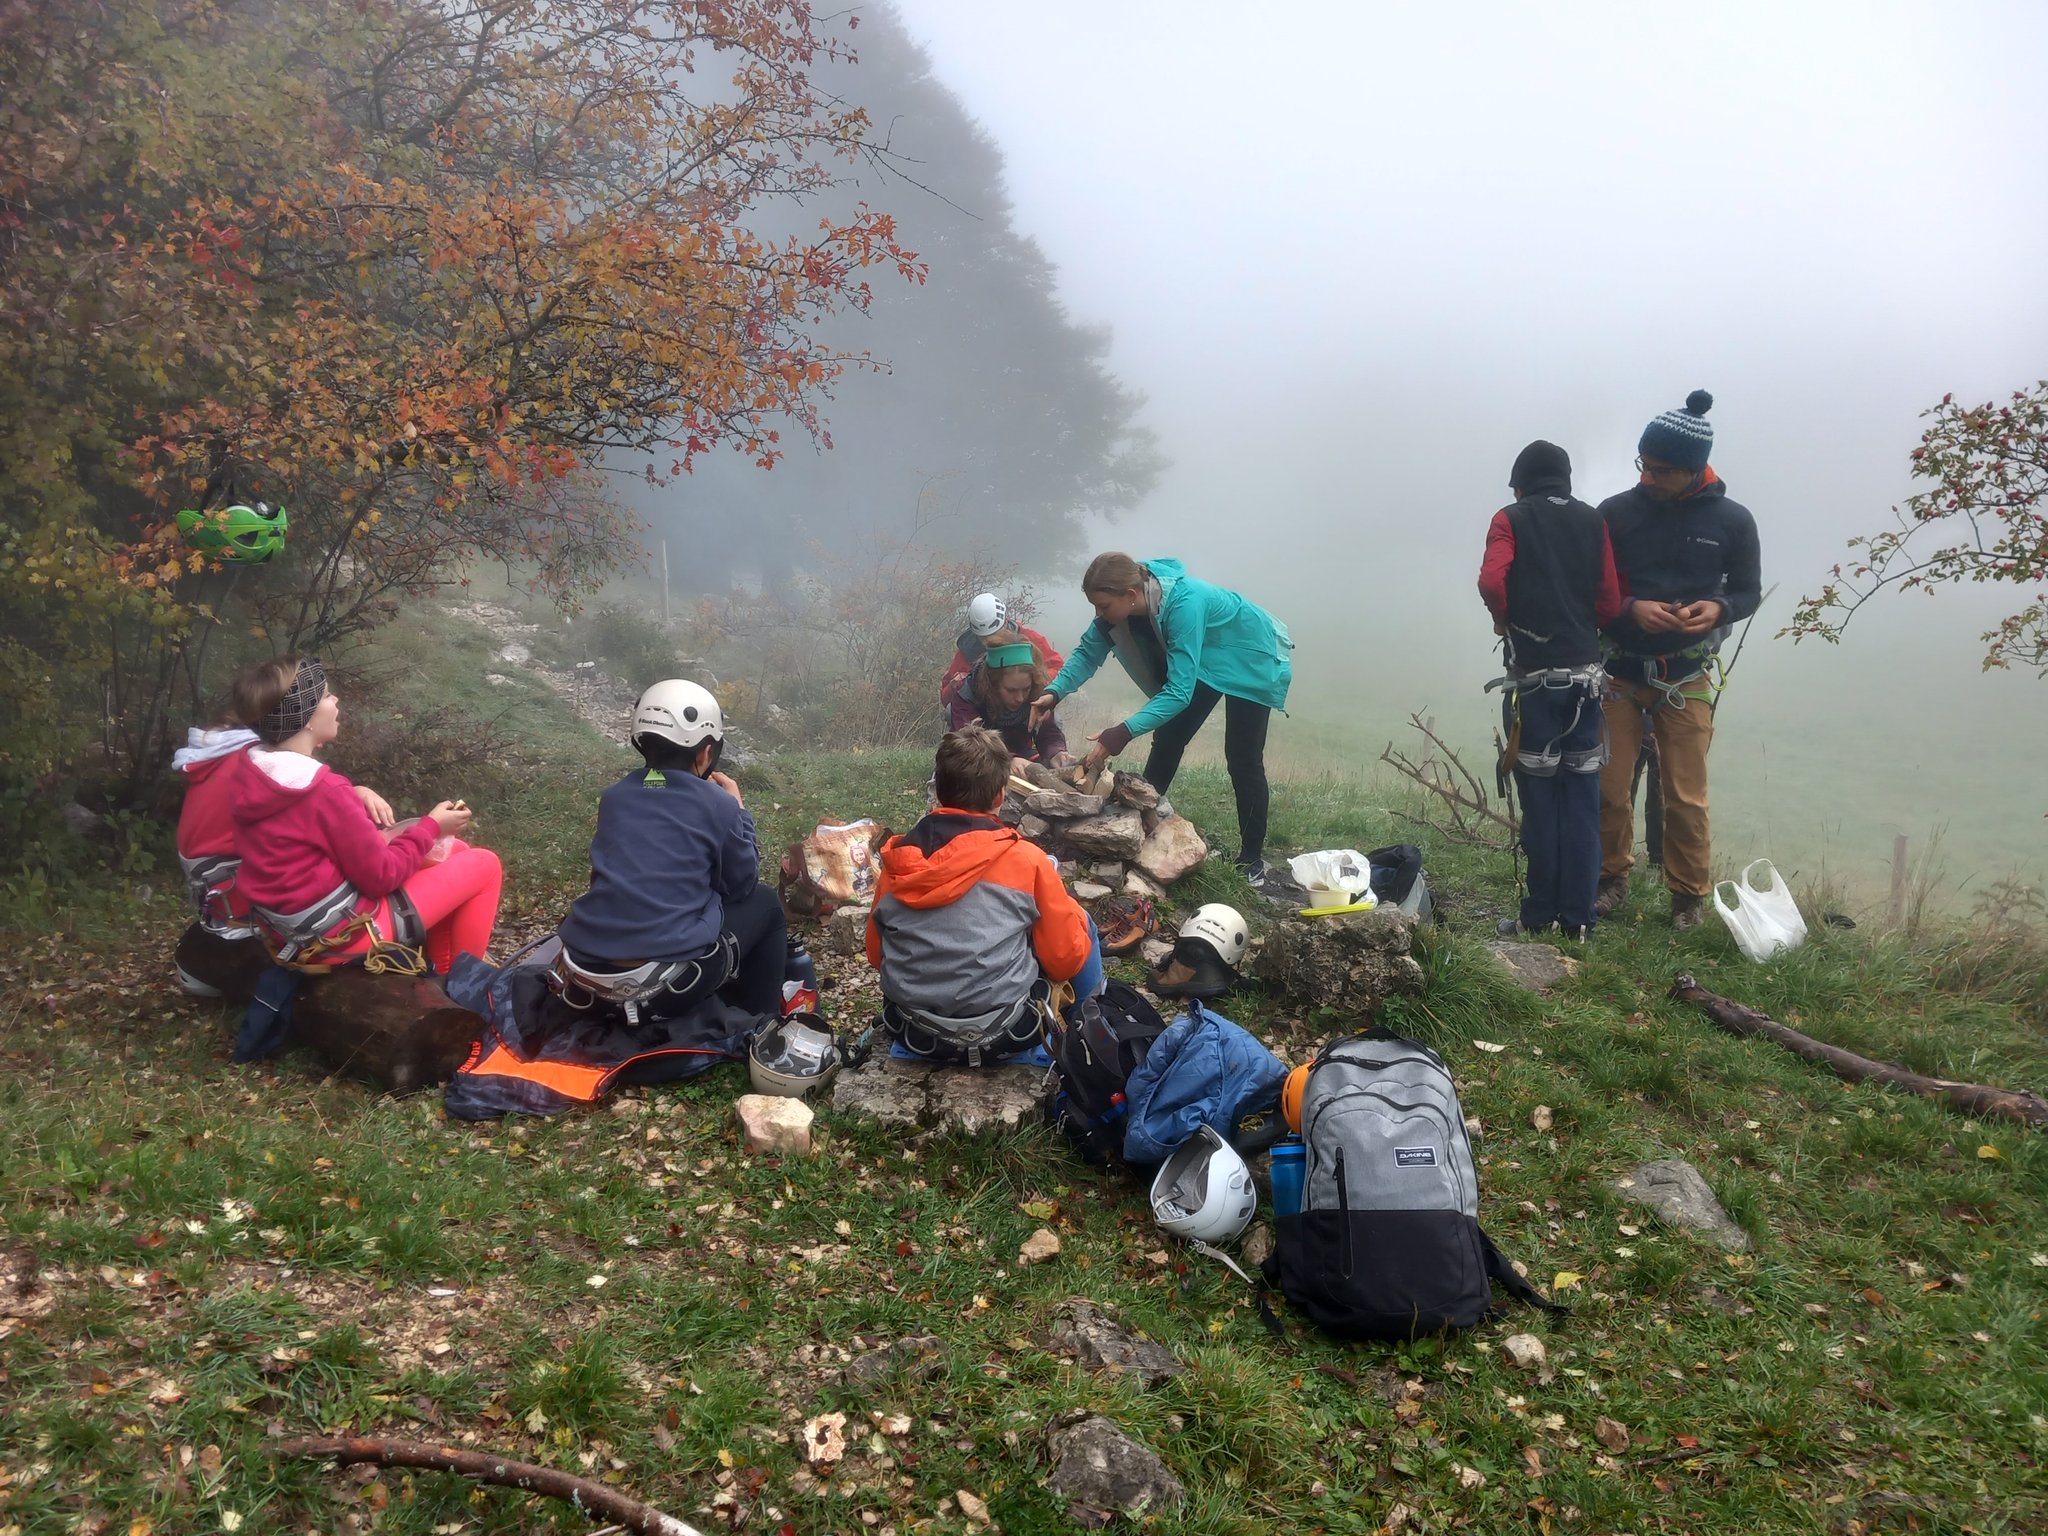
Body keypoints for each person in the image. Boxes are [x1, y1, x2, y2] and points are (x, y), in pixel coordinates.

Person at [1030, 553, 1295, 896]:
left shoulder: (1185, 604)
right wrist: (1054, 692)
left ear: (1130, 594)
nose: (1099, 613)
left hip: (1249, 653)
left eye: (1104, 605)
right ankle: (1138, 828)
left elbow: (1180, 692)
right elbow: (1086, 653)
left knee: (1242, 757)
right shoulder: (1121, 610)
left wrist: (1122, 732)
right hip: (1206, 656)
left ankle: (1252, 861)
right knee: (1169, 735)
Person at [1595, 391, 1763, 929]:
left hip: (1686, 675)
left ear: (1696, 470)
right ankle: (1609, 878)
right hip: (1619, 669)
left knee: (1686, 796)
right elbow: (1590, 589)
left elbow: (1747, 592)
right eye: (1644, 464)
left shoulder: (1734, 521)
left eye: (1663, 470)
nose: (1649, 477)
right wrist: (1628, 609)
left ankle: (1688, 896)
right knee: (1606, 785)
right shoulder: (1614, 514)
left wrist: (1717, 608)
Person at [228, 657, 501, 973]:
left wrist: (353, 794)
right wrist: (431, 826)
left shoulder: (253, 771)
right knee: (486, 865)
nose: (336, 700)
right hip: (340, 933)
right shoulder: (326, 791)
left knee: (456, 852)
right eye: (327, 696)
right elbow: (381, 877)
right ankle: (472, 985)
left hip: (288, 923)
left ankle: (441, 971)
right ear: (306, 719)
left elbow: (303, 827)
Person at [866, 725, 1103, 1059]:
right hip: (1007, 1033)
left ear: (939, 792)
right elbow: (1063, 962)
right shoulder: (1027, 860)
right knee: (1080, 921)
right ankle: (1089, 1036)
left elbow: (877, 957)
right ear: (999, 796)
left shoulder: (898, 862)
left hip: (916, 1035)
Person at [556, 679, 788, 1018]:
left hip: (585, 970)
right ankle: (758, 1020)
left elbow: (657, 783)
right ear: (706, 751)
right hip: (658, 986)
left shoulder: (615, 797)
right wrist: (738, 812)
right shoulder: (718, 804)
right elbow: (741, 884)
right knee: (766, 903)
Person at [1477, 440, 1622, 939]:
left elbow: (1493, 582)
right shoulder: (1592, 521)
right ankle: (1579, 921)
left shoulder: (1509, 518)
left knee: (1539, 799)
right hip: (1586, 682)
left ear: (1520, 482)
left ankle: (1538, 916)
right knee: (1581, 799)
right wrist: (1581, 628)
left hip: (1533, 682)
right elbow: (1609, 599)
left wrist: (1506, 622)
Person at [944, 635, 1074, 766]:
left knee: (1054, 719)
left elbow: (1048, 732)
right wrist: (1008, 760)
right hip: (978, 757)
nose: (1020, 698)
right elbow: (973, 744)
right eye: (1011, 691)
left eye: (1026, 689)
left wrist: (1056, 752)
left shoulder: (1037, 693)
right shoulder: (968, 695)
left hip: (1023, 750)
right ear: (993, 684)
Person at [939, 592, 1064, 711]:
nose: (988, 642)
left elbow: (1058, 667)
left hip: (1025, 705)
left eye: (994, 634)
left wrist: (1033, 681)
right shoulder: (967, 651)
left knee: (1050, 718)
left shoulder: (1027, 639)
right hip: (984, 711)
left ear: (1005, 624)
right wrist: (953, 686)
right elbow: (945, 700)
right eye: (983, 638)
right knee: (951, 711)